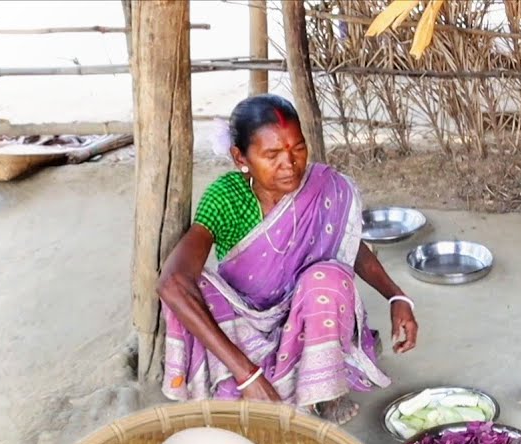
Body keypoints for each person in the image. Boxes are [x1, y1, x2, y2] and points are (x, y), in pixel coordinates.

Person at [157, 94, 418, 424]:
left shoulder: (322, 188)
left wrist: (396, 295)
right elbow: (171, 283)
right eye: (272, 154)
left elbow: (350, 246)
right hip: (243, 327)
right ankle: (247, 383)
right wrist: (247, 374)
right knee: (193, 289)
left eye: (297, 148)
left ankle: (325, 390)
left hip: (303, 318)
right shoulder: (226, 197)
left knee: (329, 277)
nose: (289, 163)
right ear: (241, 157)